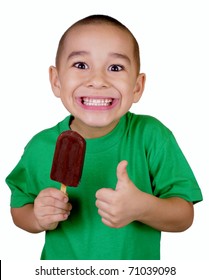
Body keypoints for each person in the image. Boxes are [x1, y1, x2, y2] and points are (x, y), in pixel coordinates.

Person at [6, 14, 203, 260]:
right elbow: (19, 209)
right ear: (56, 81)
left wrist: (142, 207)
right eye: (80, 65)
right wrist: (37, 217)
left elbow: (184, 216)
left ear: (137, 87)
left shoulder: (151, 136)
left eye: (115, 68)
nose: (98, 80)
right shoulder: (40, 146)